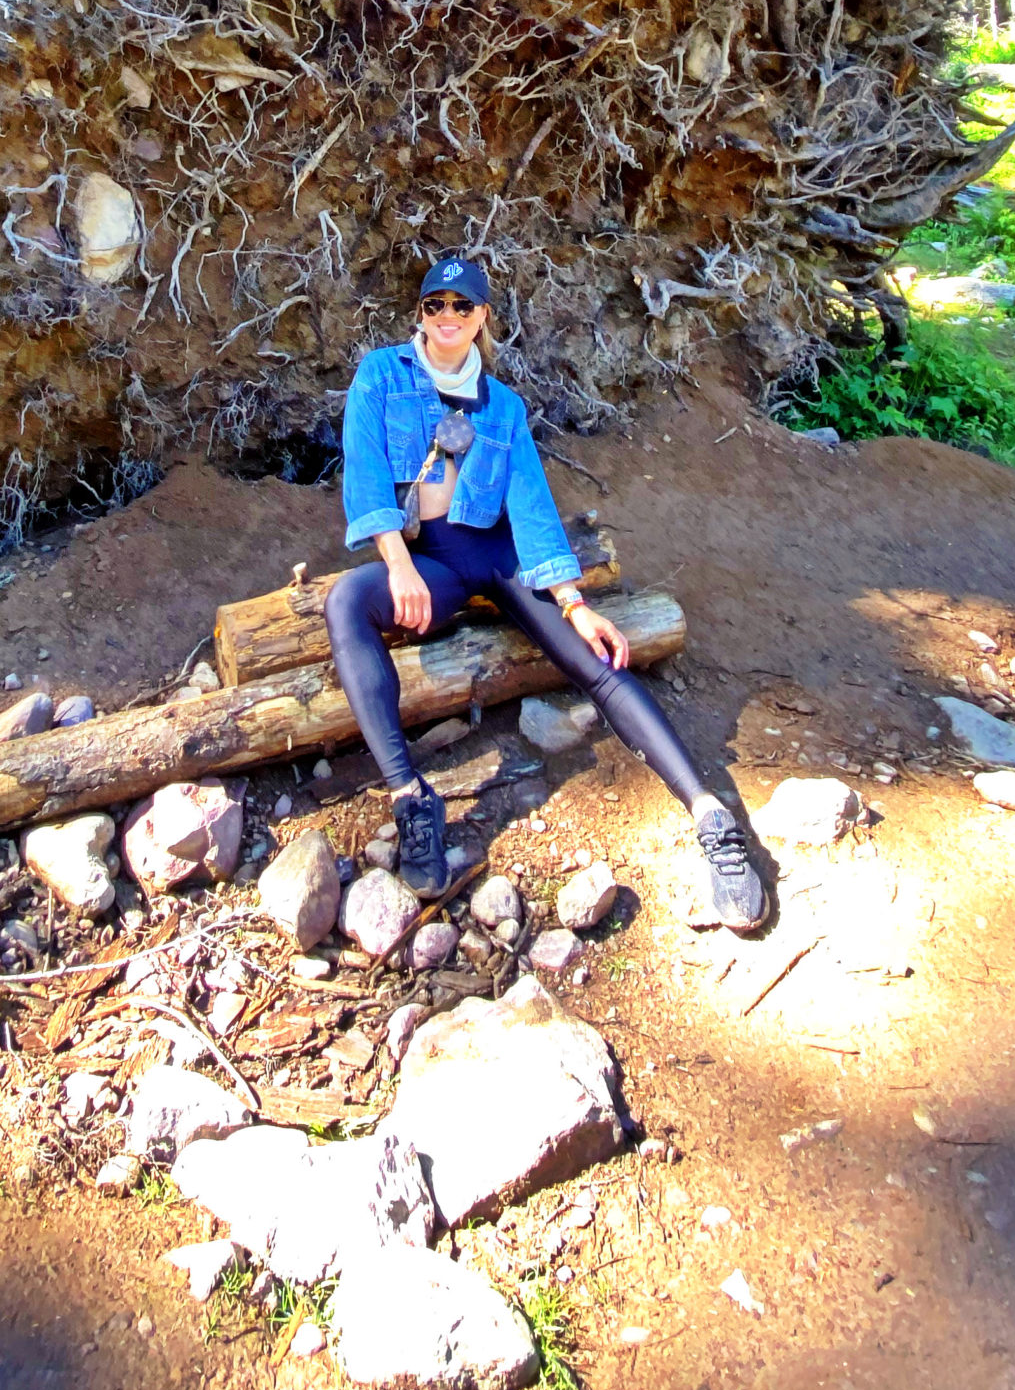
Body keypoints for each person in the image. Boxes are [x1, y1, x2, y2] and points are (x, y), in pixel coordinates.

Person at [325, 255, 768, 930]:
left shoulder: (502, 407)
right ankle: (412, 799)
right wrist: (397, 563)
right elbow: (362, 475)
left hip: (496, 554)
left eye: (462, 307)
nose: (447, 318)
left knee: (600, 664)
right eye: (435, 305)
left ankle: (712, 817)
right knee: (345, 603)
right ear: (420, 313)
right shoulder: (382, 375)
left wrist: (574, 603)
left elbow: (530, 506)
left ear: (483, 318)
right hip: (430, 562)